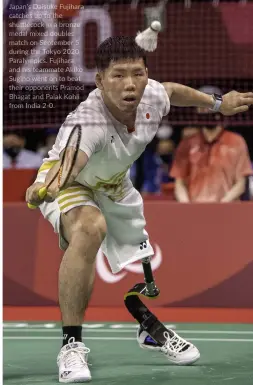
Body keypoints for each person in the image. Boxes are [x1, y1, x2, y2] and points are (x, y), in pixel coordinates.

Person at [25, 36, 253, 383]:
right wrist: (51, 186)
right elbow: (73, 161)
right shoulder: (88, 122)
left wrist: (217, 104)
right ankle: (71, 346)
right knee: (89, 228)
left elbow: (173, 91)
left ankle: (148, 329)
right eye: (118, 75)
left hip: (114, 184)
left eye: (138, 73)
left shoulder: (151, 95)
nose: (130, 83)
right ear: (100, 81)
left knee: (142, 262)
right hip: (70, 183)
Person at [170, 86, 253, 203]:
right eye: (202, 105)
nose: (205, 109)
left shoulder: (236, 141)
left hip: (228, 209)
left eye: (210, 105)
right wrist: (187, 206)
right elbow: (179, 182)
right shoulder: (187, 143)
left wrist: (221, 206)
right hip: (195, 210)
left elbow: (241, 183)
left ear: (220, 107)